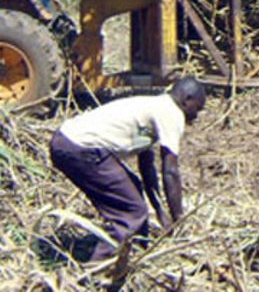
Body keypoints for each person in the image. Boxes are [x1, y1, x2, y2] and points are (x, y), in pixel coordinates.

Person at [49, 76, 206, 262]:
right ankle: (98, 271)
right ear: (186, 100)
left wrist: (160, 212)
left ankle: (137, 251)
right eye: (197, 108)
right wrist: (179, 218)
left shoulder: (154, 107)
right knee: (131, 211)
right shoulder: (171, 113)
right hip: (81, 148)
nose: (195, 116)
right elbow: (170, 171)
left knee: (133, 188)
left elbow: (147, 166)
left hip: (66, 142)